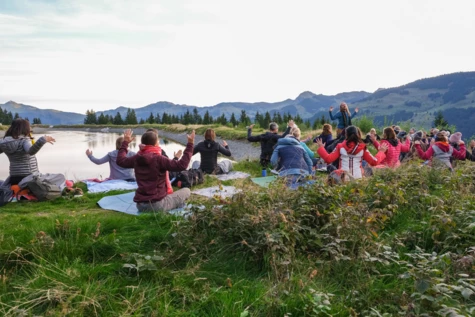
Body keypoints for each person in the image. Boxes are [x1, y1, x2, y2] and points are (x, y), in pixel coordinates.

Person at [116, 129, 195, 212]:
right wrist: (190, 144)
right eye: (158, 140)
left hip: (140, 206)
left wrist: (125, 143)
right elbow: (181, 165)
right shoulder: (159, 159)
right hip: (157, 206)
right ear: (155, 143)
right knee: (186, 191)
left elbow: (120, 161)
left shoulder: (137, 158)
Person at [315, 126, 387, 179]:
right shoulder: (362, 147)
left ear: (346, 135)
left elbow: (328, 159)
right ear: (357, 134)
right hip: (358, 179)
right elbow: (374, 162)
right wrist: (381, 152)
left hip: (343, 178)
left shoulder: (340, 146)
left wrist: (321, 147)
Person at [0, 118, 55, 185]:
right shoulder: (24, 140)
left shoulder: (3, 142)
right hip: (29, 177)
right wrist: (43, 140)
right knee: (59, 178)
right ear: (24, 128)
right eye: (29, 126)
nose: (30, 128)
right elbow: (31, 151)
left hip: (14, 178)